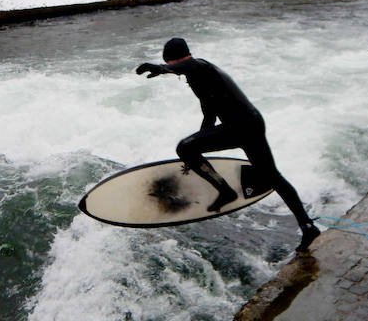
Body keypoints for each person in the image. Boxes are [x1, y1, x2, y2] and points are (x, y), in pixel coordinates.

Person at [136, 37, 321, 252]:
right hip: (251, 124)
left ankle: (226, 191)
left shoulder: (200, 67)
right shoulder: (201, 78)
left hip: (240, 127)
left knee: (184, 147)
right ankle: (308, 226)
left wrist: (161, 68)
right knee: (273, 176)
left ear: (173, 60)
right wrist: (194, 157)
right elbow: (209, 118)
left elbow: (189, 64)